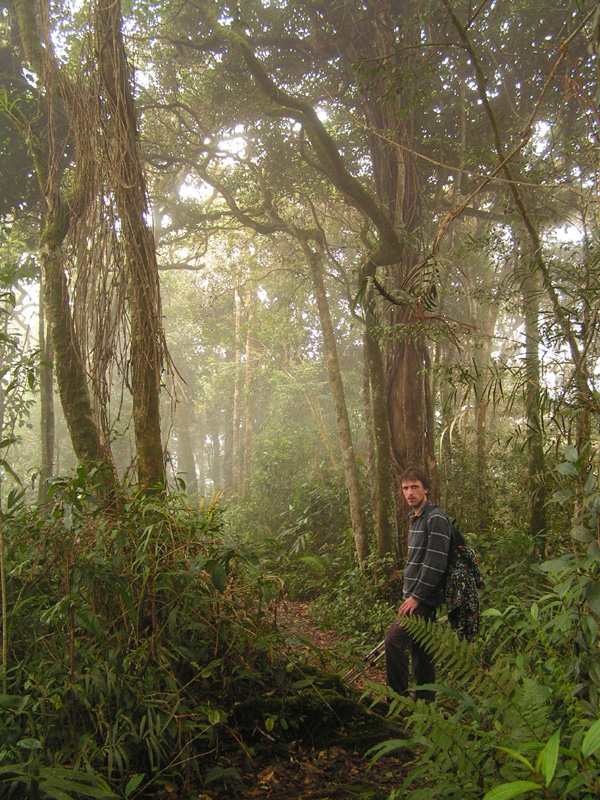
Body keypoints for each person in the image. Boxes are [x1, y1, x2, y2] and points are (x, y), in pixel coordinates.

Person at [384, 467, 451, 701]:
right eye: (405, 488)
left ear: (426, 489)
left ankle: (397, 702)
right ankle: (425, 703)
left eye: (414, 487)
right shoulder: (415, 517)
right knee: (421, 652)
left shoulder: (435, 518)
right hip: (413, 596)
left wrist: (417, 597)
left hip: (422, 599)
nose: (410, 492)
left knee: (393, 640)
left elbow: (436, 563)